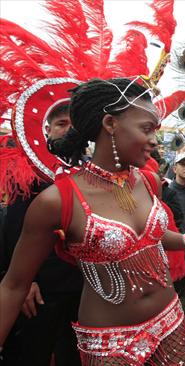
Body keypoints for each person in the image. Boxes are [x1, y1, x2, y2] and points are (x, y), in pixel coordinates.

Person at [0, 78, 185, 365]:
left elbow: (151, 237)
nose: (154, 139)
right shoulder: (58, 201)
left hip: (171, 322)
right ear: (110, 124)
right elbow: (13, 286)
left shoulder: (149, 180)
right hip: (111, 343)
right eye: (146, 128)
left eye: (156, 130)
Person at [1, 103, 83, 366]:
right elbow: (13, 229)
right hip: (39, 289)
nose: (68, 130)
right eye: (61, 124)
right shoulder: (27, 169)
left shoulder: (91, 170)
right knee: (30, 353)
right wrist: (26, 282)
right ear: (47, 130)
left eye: (74, 125)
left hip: (81, 289)